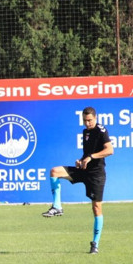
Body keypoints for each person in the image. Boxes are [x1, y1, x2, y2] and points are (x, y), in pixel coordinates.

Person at [42, 106, 114, 254]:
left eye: (90, 120)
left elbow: (110, 150)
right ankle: (57, 207)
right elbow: (87, 154)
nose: (87, 123)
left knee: (96, 208)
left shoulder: (101, 131)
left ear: (95, 118)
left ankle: (95, 244)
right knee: (54, 171)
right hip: (84, 170)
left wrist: (91, 157)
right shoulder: (85, 132)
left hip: (96, 175)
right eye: (85, 120)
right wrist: (81, 161)